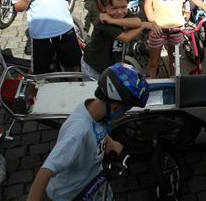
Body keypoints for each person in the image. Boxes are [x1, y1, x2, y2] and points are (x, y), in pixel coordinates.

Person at [26, 63, 149, 201]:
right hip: (73, 194)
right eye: (124, 111)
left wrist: (110, 142)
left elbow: (97, 128)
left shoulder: (94, 111)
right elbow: (45, 172)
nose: (124, 115)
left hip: (94, 181)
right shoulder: (78, 130)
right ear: (115, 108)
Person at [81, 0, 152, 77]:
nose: (120, 11)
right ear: (103, 7)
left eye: (123, 7)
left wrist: (113, 20)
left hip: (111, 63)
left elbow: (137, 22)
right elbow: (125, 38)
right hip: (95, 65)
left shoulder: (121, 14)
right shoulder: (103, 21)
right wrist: (143, 26)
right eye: (114, 8)